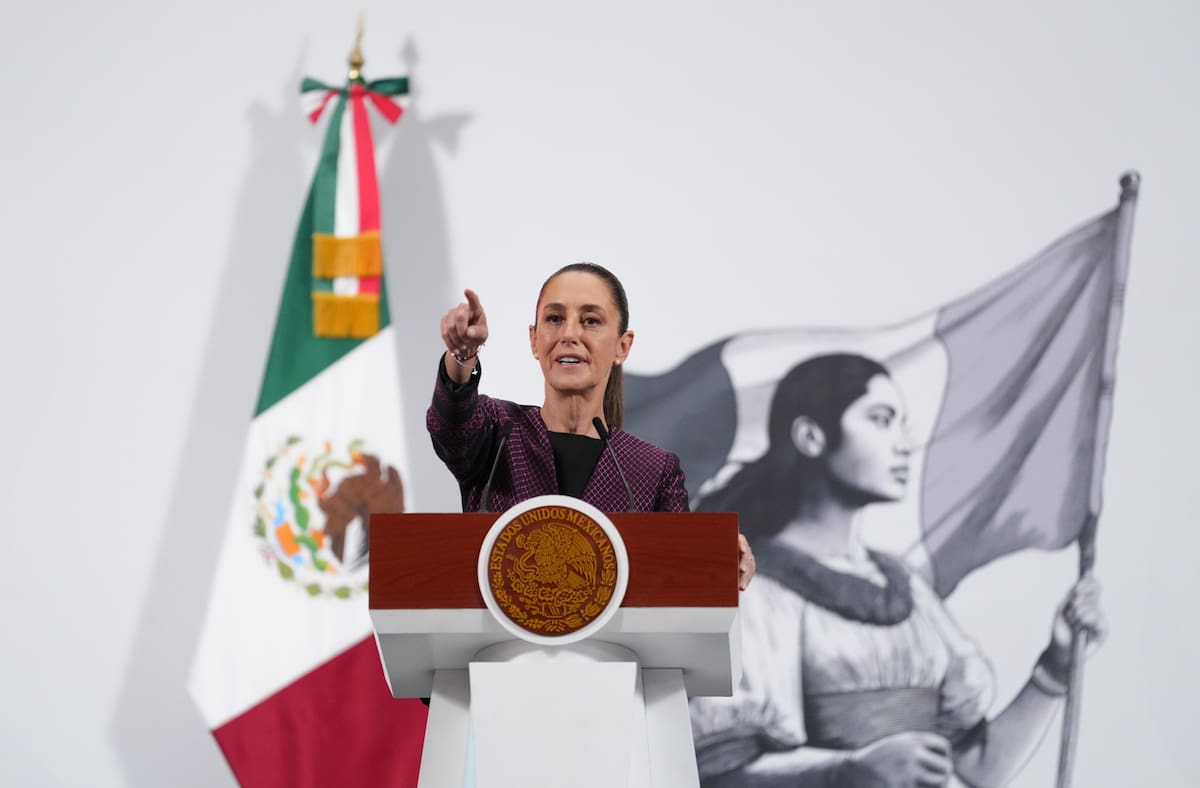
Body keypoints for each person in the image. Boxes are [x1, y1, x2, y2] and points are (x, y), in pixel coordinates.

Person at [688, 353, 1106, 787]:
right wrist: (848, 770)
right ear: (811, 436)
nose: (904, 443)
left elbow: (980, 766)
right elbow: (720, 776)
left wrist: (1055, 668)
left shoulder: (905, 588)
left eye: (902, 423)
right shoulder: (752, 589)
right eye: (882, 419)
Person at [427, 262, 755, 589]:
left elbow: (680, 568)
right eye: (554, 319)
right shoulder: (497, 433)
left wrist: (720, 556)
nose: (570, 334)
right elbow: (451, 424)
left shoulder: (653, 472)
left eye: (591, 321)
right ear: (534, 340)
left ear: (622, 346)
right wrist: (461, 356)